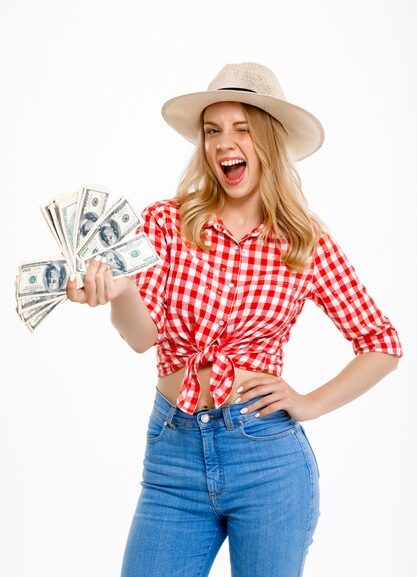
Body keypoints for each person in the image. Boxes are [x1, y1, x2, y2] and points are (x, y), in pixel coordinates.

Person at [67, 62, 403, 577]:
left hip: (267, 459)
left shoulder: (304, 243)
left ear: (268, 141)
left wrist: (308, 403)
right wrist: (119, 292)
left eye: (243, 128)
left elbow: (381, 343)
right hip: (173, 453)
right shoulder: (165, 223)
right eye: (213, 130)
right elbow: (141, 338)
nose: (226, 143)